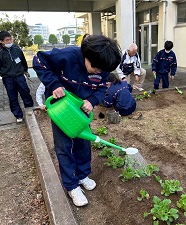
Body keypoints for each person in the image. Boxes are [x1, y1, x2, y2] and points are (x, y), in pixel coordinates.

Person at [33, 35, 122, 207]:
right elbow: (38, 59)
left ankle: (82, 175)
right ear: (87, 56)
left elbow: (102, 88)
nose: (98, 72)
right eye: (95, 68)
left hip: (81, 112)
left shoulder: (101, 68)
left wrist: (92, 101)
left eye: (102, 71)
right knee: (64, 146)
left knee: (83, 142)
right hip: (62, 110)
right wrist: (54, 84)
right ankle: (71, 185)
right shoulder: (66, 56)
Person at [0, 30, 34, 123]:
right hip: (8, 78)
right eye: (7, 40)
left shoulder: (16, 48)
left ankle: (30, 111)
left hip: (19, 76)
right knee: (12, 97)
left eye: (10, 39)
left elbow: (23, 60)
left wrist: (25, 70)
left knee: (26, 94)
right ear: (2, 41)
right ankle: (18, 115)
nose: (9, 41)